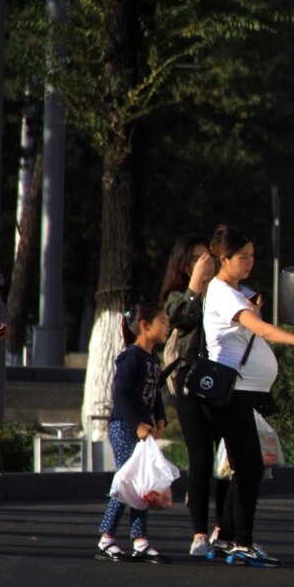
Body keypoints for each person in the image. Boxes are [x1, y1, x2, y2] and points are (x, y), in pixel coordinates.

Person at [202, 224, 294, 567]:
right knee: (249, 468)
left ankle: (227, 538)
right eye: (242, 258)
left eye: (252, 257)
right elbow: (259, 329)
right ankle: (241, 542)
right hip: (234, 393)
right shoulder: (223, 293)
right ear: (224, 259)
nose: (248, 264)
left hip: (243, 393)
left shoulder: (232, 291)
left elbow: (247, 331)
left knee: (241, 466)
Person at [159, 234, 228, 557]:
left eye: (210, 258)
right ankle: (199, 533)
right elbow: (180, 319)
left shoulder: (225, 292)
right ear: (187, 265)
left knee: (227, 458)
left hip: (225, 380)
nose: (207, 263)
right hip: (191, 381)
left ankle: (223, 530)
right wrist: (196, 288)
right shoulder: (178, 297)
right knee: (201, 457)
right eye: (200, 259)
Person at [96, 303, 171, 564]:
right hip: (124, 427)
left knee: (141, 486)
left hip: (142, 430)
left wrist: (160, 416)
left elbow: (155, 391)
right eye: (162, 321)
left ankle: (140, 542)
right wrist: (138, 424)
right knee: (127, 483)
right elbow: (121, 395)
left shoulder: (153, 359)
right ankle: (106, 539)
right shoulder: (132, 356)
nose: (167, 327)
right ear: (145, 325)